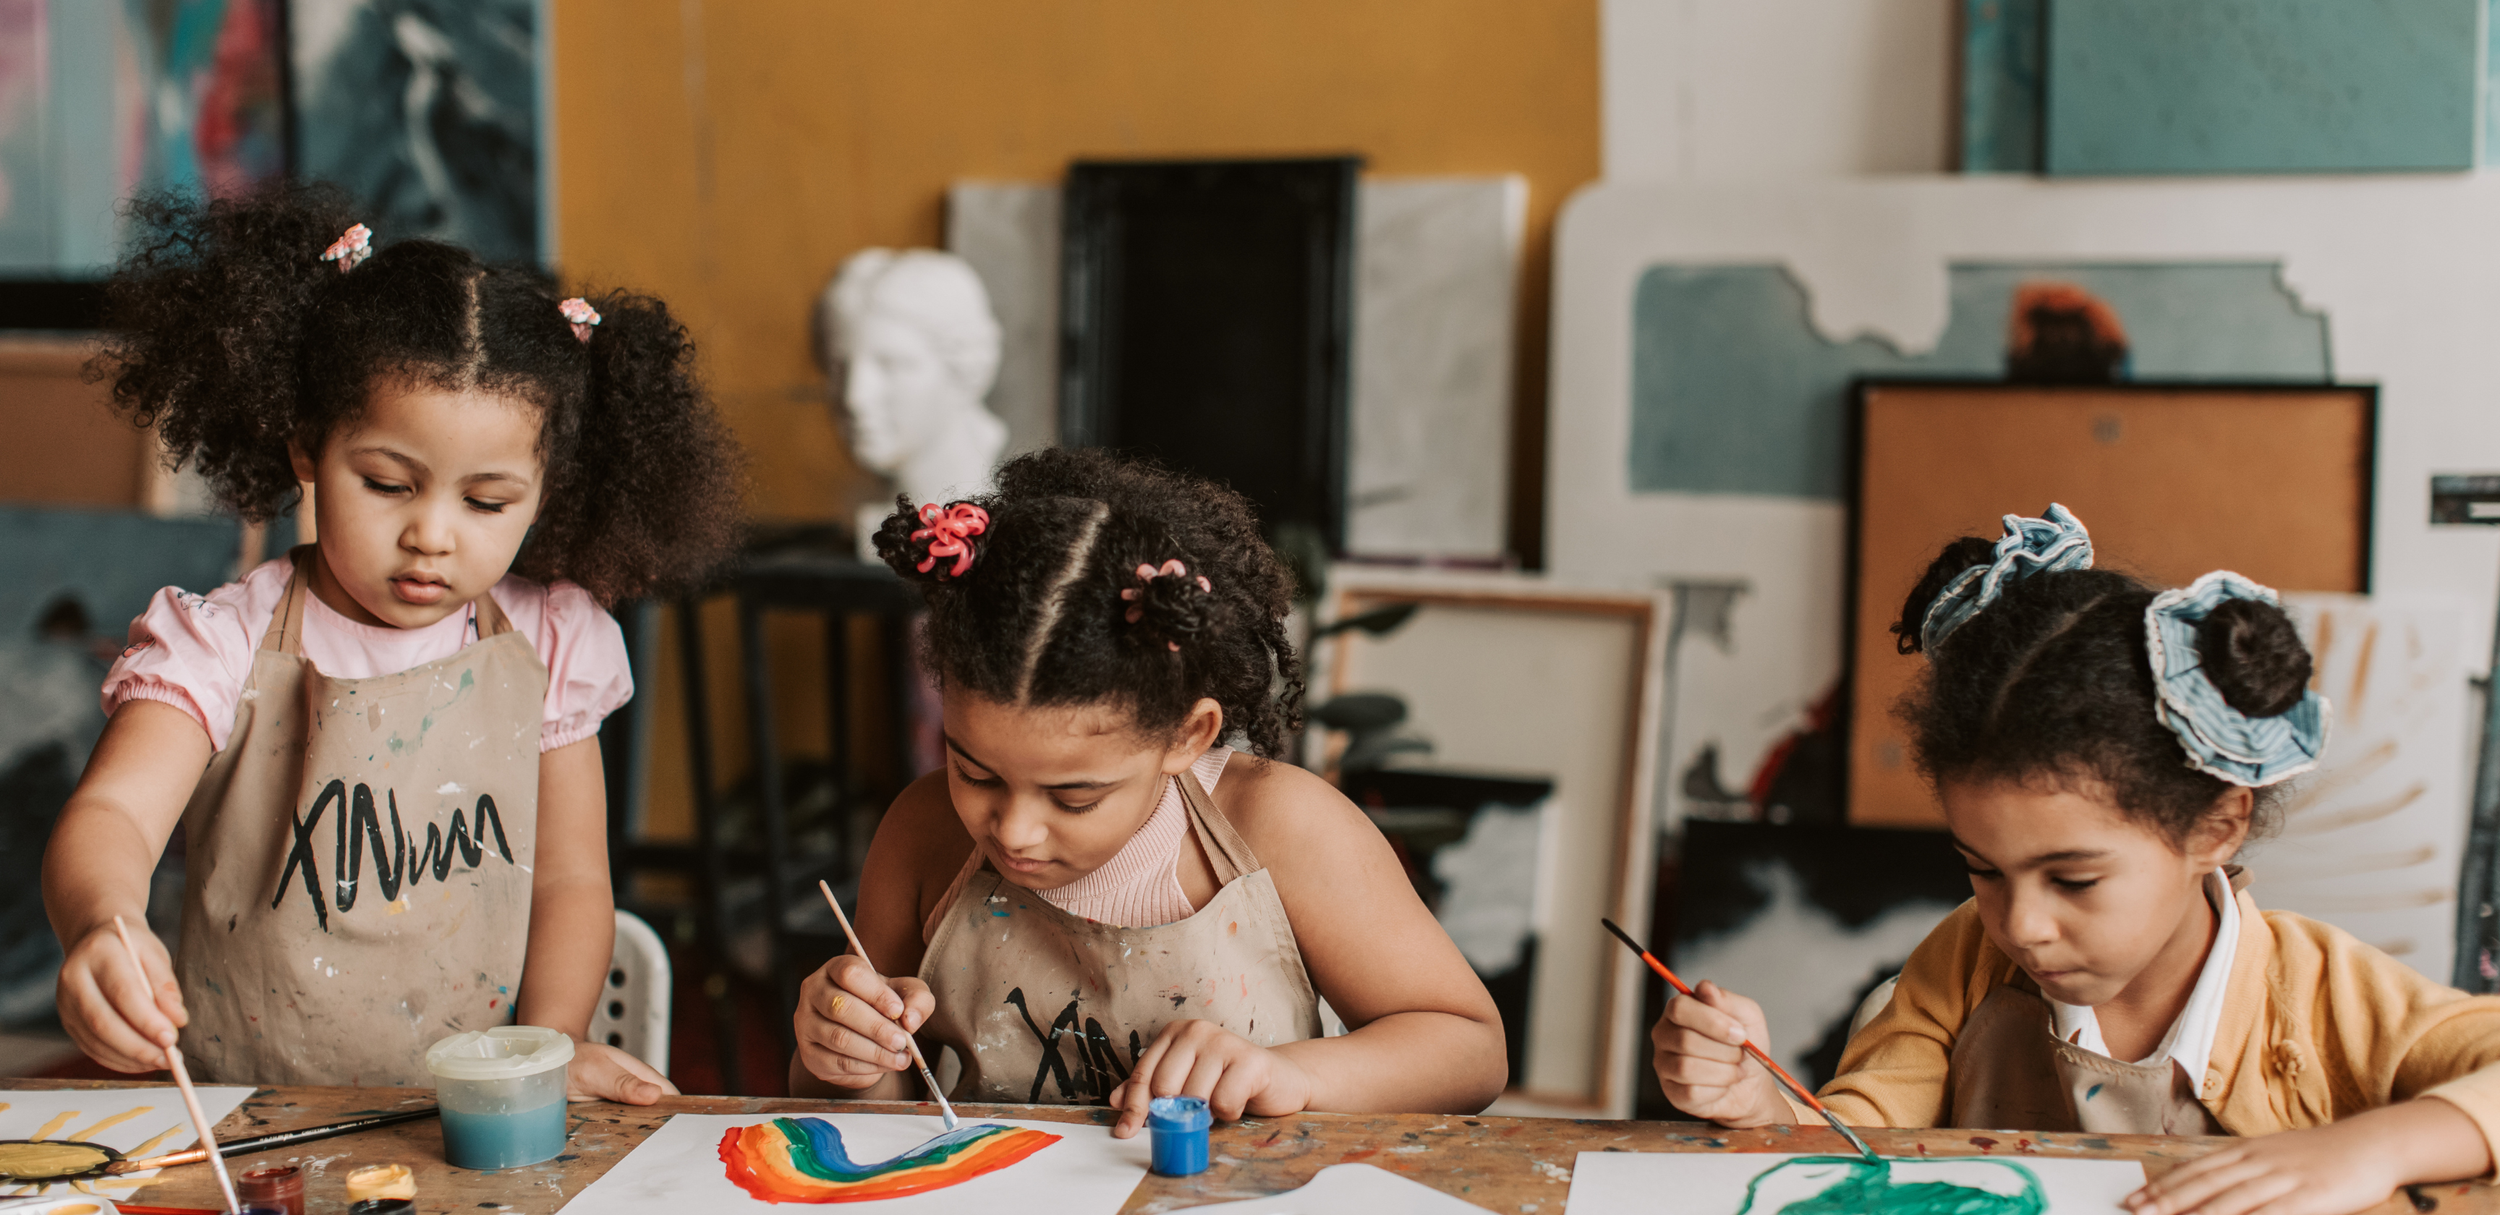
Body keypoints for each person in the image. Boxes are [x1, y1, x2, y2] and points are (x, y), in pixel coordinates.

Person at [44, 183, 742, 1098]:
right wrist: (103, 923)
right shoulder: (223, 642)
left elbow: (570, 882)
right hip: (248, 1115)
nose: (434, 536)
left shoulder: (548, 644)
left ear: (545, 489)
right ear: (306, 447)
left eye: (488, 502)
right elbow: (114, 816)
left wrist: (548, 1049)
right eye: (386, 483)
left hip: (469, 1118)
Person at [1651, 505, 2500, 1215]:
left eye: (2074, 879)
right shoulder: (1961, 963)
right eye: (1983, 869)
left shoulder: (2322, 992)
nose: (2020, 924)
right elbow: (1856, 1148)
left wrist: (2368, 1148)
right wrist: (1754, 1097)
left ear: (2216, 825)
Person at [787, 448, 1506, 1136]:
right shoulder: (924, 834)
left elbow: (1470, 1051)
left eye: (1073, 797)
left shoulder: (1281, 828)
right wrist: (845, 1052)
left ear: (1187, 737)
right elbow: (870, 1113)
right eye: (975, 772)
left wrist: (1291, 1074)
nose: (1013, 830)